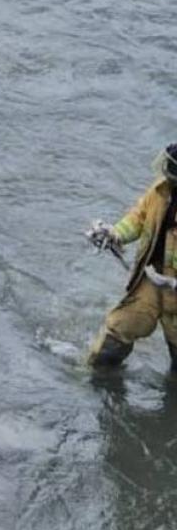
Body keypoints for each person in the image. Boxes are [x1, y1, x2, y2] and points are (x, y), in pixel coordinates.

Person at [87, 143, 177, 370]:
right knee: (119, 330)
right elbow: (138, 218)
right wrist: (114, 233)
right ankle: (96, 380)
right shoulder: (160, 190)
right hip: (152, 280)